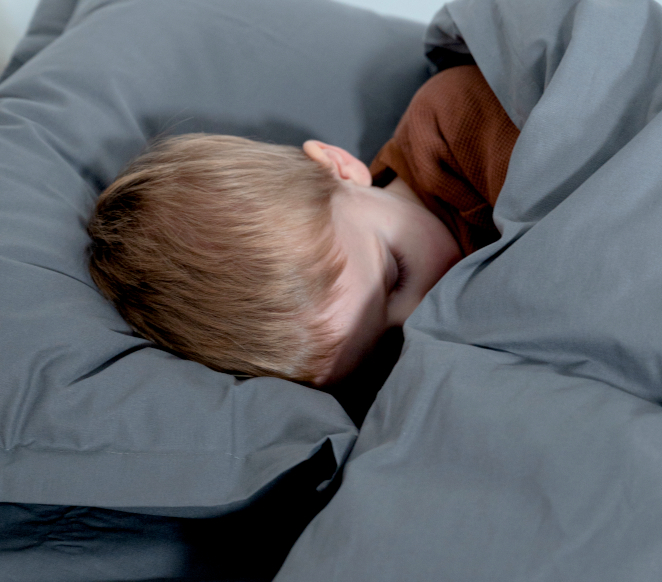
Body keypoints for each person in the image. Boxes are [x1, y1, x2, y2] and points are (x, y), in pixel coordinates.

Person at [87, 64, 519, 387]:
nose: (419, 317)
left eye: (395, 273)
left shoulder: (454, 125)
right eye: (388, 346)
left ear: (339, 166)